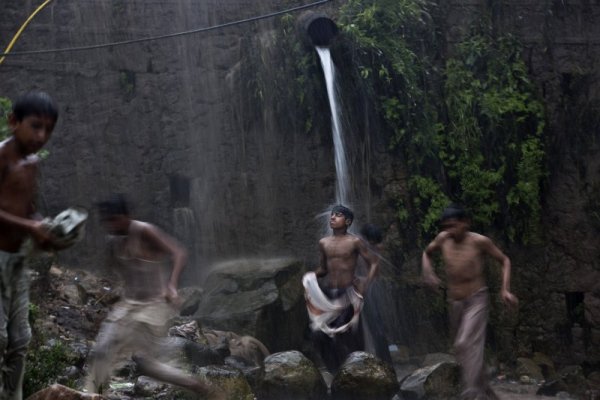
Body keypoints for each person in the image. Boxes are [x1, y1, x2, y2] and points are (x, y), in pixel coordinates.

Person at [85, 194, 223, 399]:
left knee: (143, 363)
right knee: (103, 351)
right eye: (106, 221)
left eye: (114, 219)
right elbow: (117, 272)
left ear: (126, 216)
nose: (110, 225)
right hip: (128, 306)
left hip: (152, 307)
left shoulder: (143, 231)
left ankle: (197, 386)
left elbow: (179, 253)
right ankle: (92, 394)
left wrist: (172, 285)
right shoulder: (113, 241)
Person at [421, 204, 518, 400]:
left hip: (477, 299)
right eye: (446, 226)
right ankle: (486, 391)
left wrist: (505, 289)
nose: (449, 230)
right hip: (455, 302)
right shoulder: (443, 239)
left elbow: (504, 260)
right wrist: (428, 272)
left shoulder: (479, 241)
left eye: (454, 225)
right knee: (463, 347)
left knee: (465, 342)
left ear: (465, 223)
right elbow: (427, 253)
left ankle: (472, 393)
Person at [0, 91, 60, 399]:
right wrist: (29, 226)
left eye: (48, 129)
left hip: (18, 261)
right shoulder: (2, 156)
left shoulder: (33, 163)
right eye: (35, 126)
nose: (42, 135)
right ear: (13, 122)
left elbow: (28, 208)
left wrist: (44, 228)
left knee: (20, 338)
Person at [303, 205, 378, 373]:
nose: (332, 217)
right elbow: (323, 269)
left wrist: (366, 282)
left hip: (348, 293)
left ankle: (359, 370)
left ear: (348, 221)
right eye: (332, 215)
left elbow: (373, 262)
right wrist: (310, 277)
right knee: (318, 334)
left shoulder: (354, 242)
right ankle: (335, 372)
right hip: (329, 294)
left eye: (338, 215)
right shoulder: (323, 243)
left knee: (349, 335)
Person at [358, 223, 393, 365]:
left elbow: (374, 266)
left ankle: (385, 362)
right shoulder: (357, 244)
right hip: (357, 286)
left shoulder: (376, 247)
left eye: (374, 243)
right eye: (370, 243)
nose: (373, 246)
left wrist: (366, 282)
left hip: (371, 287)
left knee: (377, 326)